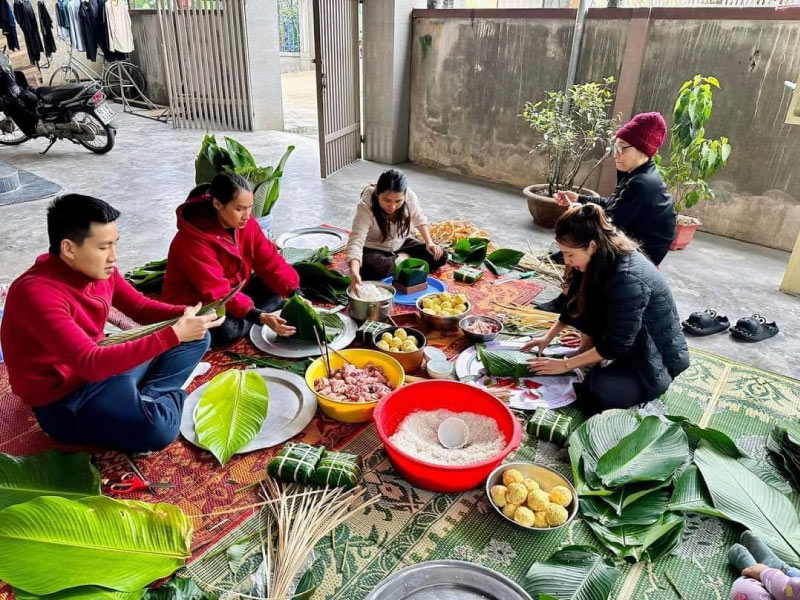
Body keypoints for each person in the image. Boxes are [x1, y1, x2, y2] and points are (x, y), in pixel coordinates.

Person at [0, 194, 223, 453]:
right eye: (104, 247)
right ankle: (159, 396)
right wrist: (173, 334)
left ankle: (151, 395)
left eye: (114, 244)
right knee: (158, 430)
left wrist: (188, 313)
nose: (113, 257)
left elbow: (140, 307)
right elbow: (90, 363)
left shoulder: (98, 270)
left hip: (104, 366)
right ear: (69, 249)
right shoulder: (36, 294)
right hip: (67, 399)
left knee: (198, 335)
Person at [522, 204, 689, 413]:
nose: (566, 260)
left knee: (595, 395)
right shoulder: (596, 256)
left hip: (653, 358)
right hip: (628, 343)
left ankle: (627, 379)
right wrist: (547, 337)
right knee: (584, 364)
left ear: (591, 246)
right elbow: (574, 303)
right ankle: (593, 360)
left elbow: (615, 345)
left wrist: (565, 365)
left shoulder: (628, 278)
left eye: (570, 254)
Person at [536, 112, 676, 313]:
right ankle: (571, 296)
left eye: (622, 148)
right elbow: (612, 203)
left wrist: (577, 211)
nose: (616, 154)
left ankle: (570, 302)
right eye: (615, 147)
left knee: (589, 242)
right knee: (584, 236)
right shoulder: (637, 174)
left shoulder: (641, 183)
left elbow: (609, 222)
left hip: (643, 252)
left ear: (643, 150)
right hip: (632, 236)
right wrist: (579, 199)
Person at [161, 172, 301, 346]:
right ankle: (254, 315)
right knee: (227, 331)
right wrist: (258, 316)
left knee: (279, 288)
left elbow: (269, 260)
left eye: (249, 207)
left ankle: (251, 314)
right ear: (218, 204)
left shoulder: (247, 224)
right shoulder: (192, 241)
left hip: (234, 291)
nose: (247, 215)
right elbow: (216, 292)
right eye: (239, 209)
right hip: (198, 304)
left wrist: (295, 293)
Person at [346, 168, 446, 287]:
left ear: (404, 195)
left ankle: (401, 259)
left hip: (401, 243)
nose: (392, 206)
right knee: (374, 269)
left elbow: (419, 219)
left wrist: (429, 242)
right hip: (373, 248)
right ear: (378, 193)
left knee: (441, 255)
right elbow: (357, 238)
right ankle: (404, 261)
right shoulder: (366, 205)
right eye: (387, 200)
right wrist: (354, 272)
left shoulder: (410, 197)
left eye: (398, 201)